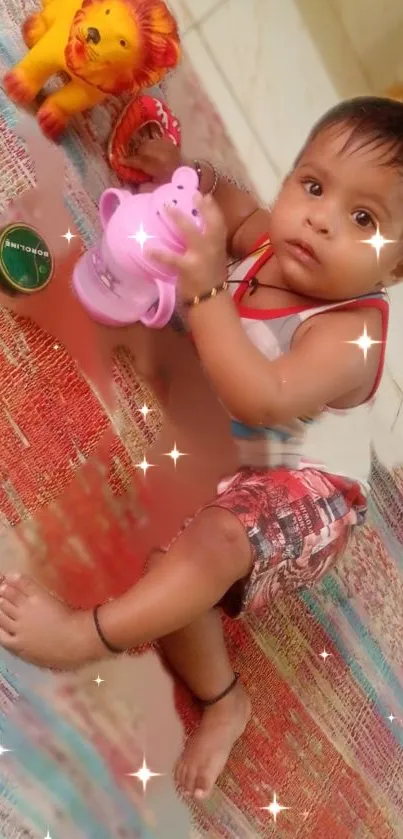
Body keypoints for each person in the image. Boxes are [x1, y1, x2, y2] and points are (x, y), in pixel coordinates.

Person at [0, 96, 402, 801]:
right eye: (311, 185)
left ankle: (84, 633)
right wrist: (177, 173)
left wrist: (209, 285)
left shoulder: (349, 336)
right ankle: (223, 698)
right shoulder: (276, 242)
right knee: (173, 573)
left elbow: (263, 395)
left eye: (362, 220)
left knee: (212, 545)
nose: (319, 217)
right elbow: (238, 205)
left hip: (308, 493)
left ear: (395, 268)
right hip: (235, 462)